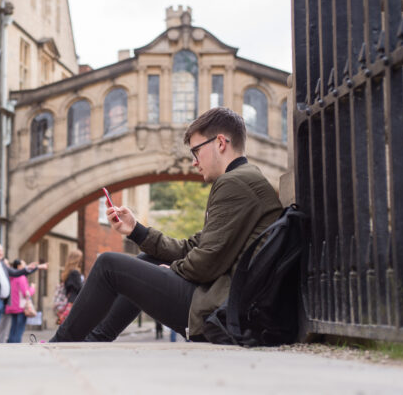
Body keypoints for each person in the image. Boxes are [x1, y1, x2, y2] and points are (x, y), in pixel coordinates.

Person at [49, 107, 283, 342]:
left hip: (220, 309)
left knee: (108, 264)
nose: (194, 162)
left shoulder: (235, 184)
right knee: (146, 261)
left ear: (220, 143)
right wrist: (136, 231)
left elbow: (206, 262)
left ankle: (59, 344)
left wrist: (174, 270)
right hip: (226, 299)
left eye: (196, 151)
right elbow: (193, 247)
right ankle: (95, 339)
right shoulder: (245, 179)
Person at [0, 243, 47, 343]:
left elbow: (15, 273)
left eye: (1, 251)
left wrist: (28, 268)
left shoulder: (2, 265)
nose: (0, 253)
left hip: (3, 301)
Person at [5, 259, 36, 343]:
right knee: (19, 330)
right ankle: (16, 348)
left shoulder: (10, 277)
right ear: (19, 266)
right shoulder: (21, 277)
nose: (26, 267)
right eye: (24, 265)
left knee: (13, 329)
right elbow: (26, 293)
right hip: (21, 307)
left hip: (11, 306)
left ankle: (10, 347)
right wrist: (32, 288)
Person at [53, 249, 84, 324]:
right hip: (74, 303)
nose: (81, 261)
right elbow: (81, 289)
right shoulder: (75, 273)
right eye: (80, 259)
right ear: (76, 259)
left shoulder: (68, 272)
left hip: (70, 301)